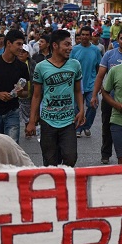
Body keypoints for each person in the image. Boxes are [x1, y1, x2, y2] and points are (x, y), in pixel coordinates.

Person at [29, 29, 83, 166]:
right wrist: (31, 121)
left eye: (71, 44)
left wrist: (82, 110)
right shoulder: (41, 67)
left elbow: (78, 91)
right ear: (55, 45)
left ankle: (66, 184)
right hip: (47, 121)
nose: (70, 48)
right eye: (67, 44)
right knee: (50, 161)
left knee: (71, 157)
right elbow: (36, 95)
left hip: (68, 121)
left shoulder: (75, 65)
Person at [91, 27, 122, 164]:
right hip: (110, 99)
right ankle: (106, 154)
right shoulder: (109, 55)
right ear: (117, 40)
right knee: (107, 128)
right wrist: (94, 96)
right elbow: (100, 76)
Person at [71, 26, 102, 137]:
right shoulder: (74, 50)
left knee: (93, 106)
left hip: (91, 84)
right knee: (77, 108)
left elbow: (100, 68)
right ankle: (78, 128)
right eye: (82, 34)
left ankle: (86, 126)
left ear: (90, 36)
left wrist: (100, 84)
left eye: (86, 34)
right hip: (77, 85)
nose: (84, 37)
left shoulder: (96, 50)